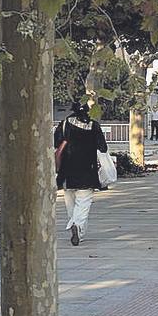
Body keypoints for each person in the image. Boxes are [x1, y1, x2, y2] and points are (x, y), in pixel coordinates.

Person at [54, 101, 108, 246]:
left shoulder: (65, 123)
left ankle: (75, 225)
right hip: (87, 171)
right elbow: (103, 147)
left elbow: (56, 142)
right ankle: (77, 227)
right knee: (83, 204)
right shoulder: (94, 125)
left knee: (70, 204)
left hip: (67, 173)